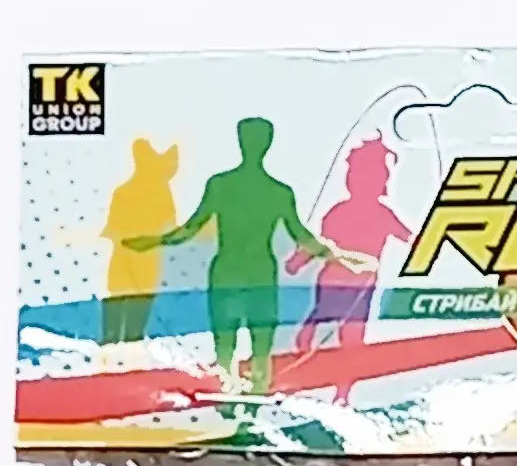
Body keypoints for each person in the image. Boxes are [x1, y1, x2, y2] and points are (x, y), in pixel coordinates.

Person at [126, 117, 361, 394]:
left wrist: (340, 257)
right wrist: (339, 257)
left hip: (240, 275)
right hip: (247, 275)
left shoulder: (231, 186)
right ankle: (241, 393)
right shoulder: (271, 191)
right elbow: (302, 238)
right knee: (248, 346)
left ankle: (238, 393)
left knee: (242, 346)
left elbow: (189, 230)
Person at [287, 136, 412, 401]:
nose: (361, 181)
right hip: (332, 282)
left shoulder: (383, 214)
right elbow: (320, 244)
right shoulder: (337, 212)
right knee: (311, 331)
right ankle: (299, 373)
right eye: (356, 174)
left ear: (382, 180)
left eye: (371, 176)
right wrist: (298, 260)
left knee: (352, 340)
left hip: (361, 288)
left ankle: (342, 394)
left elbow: (410, 238)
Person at [101, 139, 179, 349]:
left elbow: (112, 229)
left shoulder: (124, 192)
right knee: (133, 329)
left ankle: (111, 353)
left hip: (126, 263)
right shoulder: (160, 193)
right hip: (144, 264)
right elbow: (170, 227)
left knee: (115, 324)